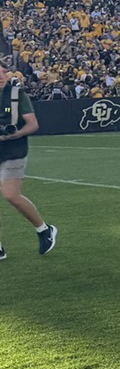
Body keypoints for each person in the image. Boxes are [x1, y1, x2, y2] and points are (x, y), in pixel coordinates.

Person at [0, 64, 58, 259]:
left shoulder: (16, 94)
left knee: (11, 195)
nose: (1, 75)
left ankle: (44, 229)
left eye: (2, 71)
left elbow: (33, 124)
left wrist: (14, 134)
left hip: (13, 149)